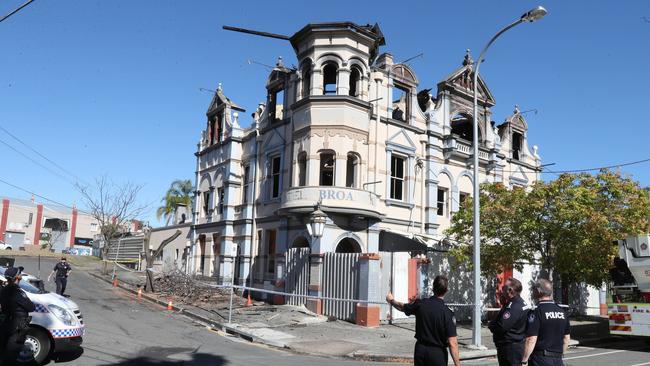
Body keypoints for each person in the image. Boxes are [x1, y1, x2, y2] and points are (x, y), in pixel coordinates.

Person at [386, 275, 461, 366]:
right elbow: (453, 343)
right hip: (437, 354)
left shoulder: (421, 304)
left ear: (433, 288)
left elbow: (402, 307)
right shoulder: (448, 313)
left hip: (420, 351)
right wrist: (458, 364)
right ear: (446, 291)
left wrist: (391, 300)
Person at [521, 279, 571, 366]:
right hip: (558, 360)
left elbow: (531, 339)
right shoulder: (562, 311)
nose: (532, 291)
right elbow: (566, 339)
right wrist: (558, 355)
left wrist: (524, 360)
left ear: (538, 291)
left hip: (540, 359)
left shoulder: (537, 311)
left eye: (533, 289)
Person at [488, 277, 529, 366]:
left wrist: (490, 324)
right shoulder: (516, 302)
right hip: (513, 346)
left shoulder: (514, 306)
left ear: (510, 290)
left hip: (510, 349)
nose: (502, 290)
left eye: (504, 288)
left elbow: (501, 327)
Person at [0, 266, 36, 364]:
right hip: (17, 327)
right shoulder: (17, 292)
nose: (21, 275)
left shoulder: (4, 290)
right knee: (11, 355)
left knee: (3, 353)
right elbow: (31, 307)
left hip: (6, 323)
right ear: (18, 277)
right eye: (20, 273)